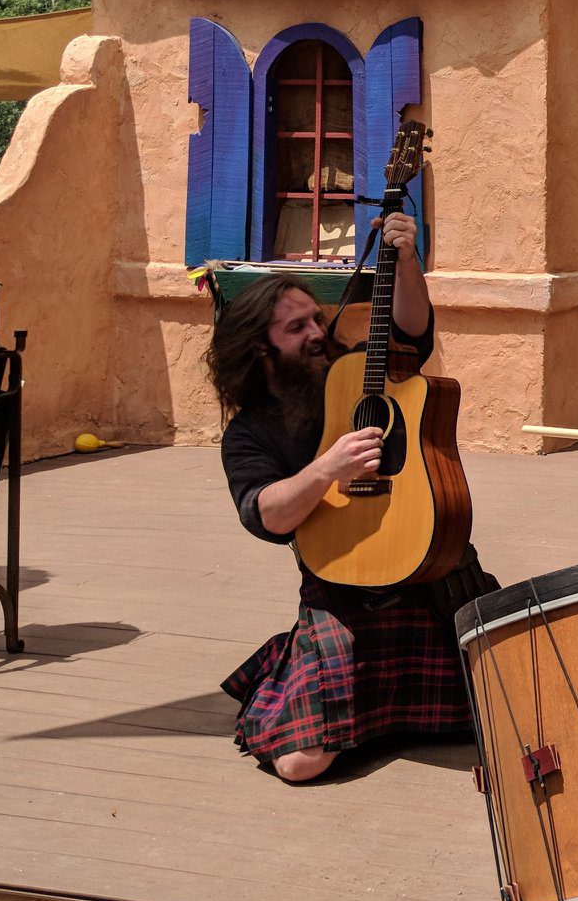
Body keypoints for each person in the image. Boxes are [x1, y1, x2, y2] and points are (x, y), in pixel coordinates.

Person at [211, 213, 492, 782]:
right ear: (259, 351)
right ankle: (332, 691)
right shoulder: (250, 433)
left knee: (524, 705)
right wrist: (327, 469)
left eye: (315, 317)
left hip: (433, 575)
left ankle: (386, 714)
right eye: (295, 329)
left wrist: (407, 259)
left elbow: (413, 334)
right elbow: (265, 514)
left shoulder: (358, 368)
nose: (316, 332)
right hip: (345, 589)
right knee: (298, 764)